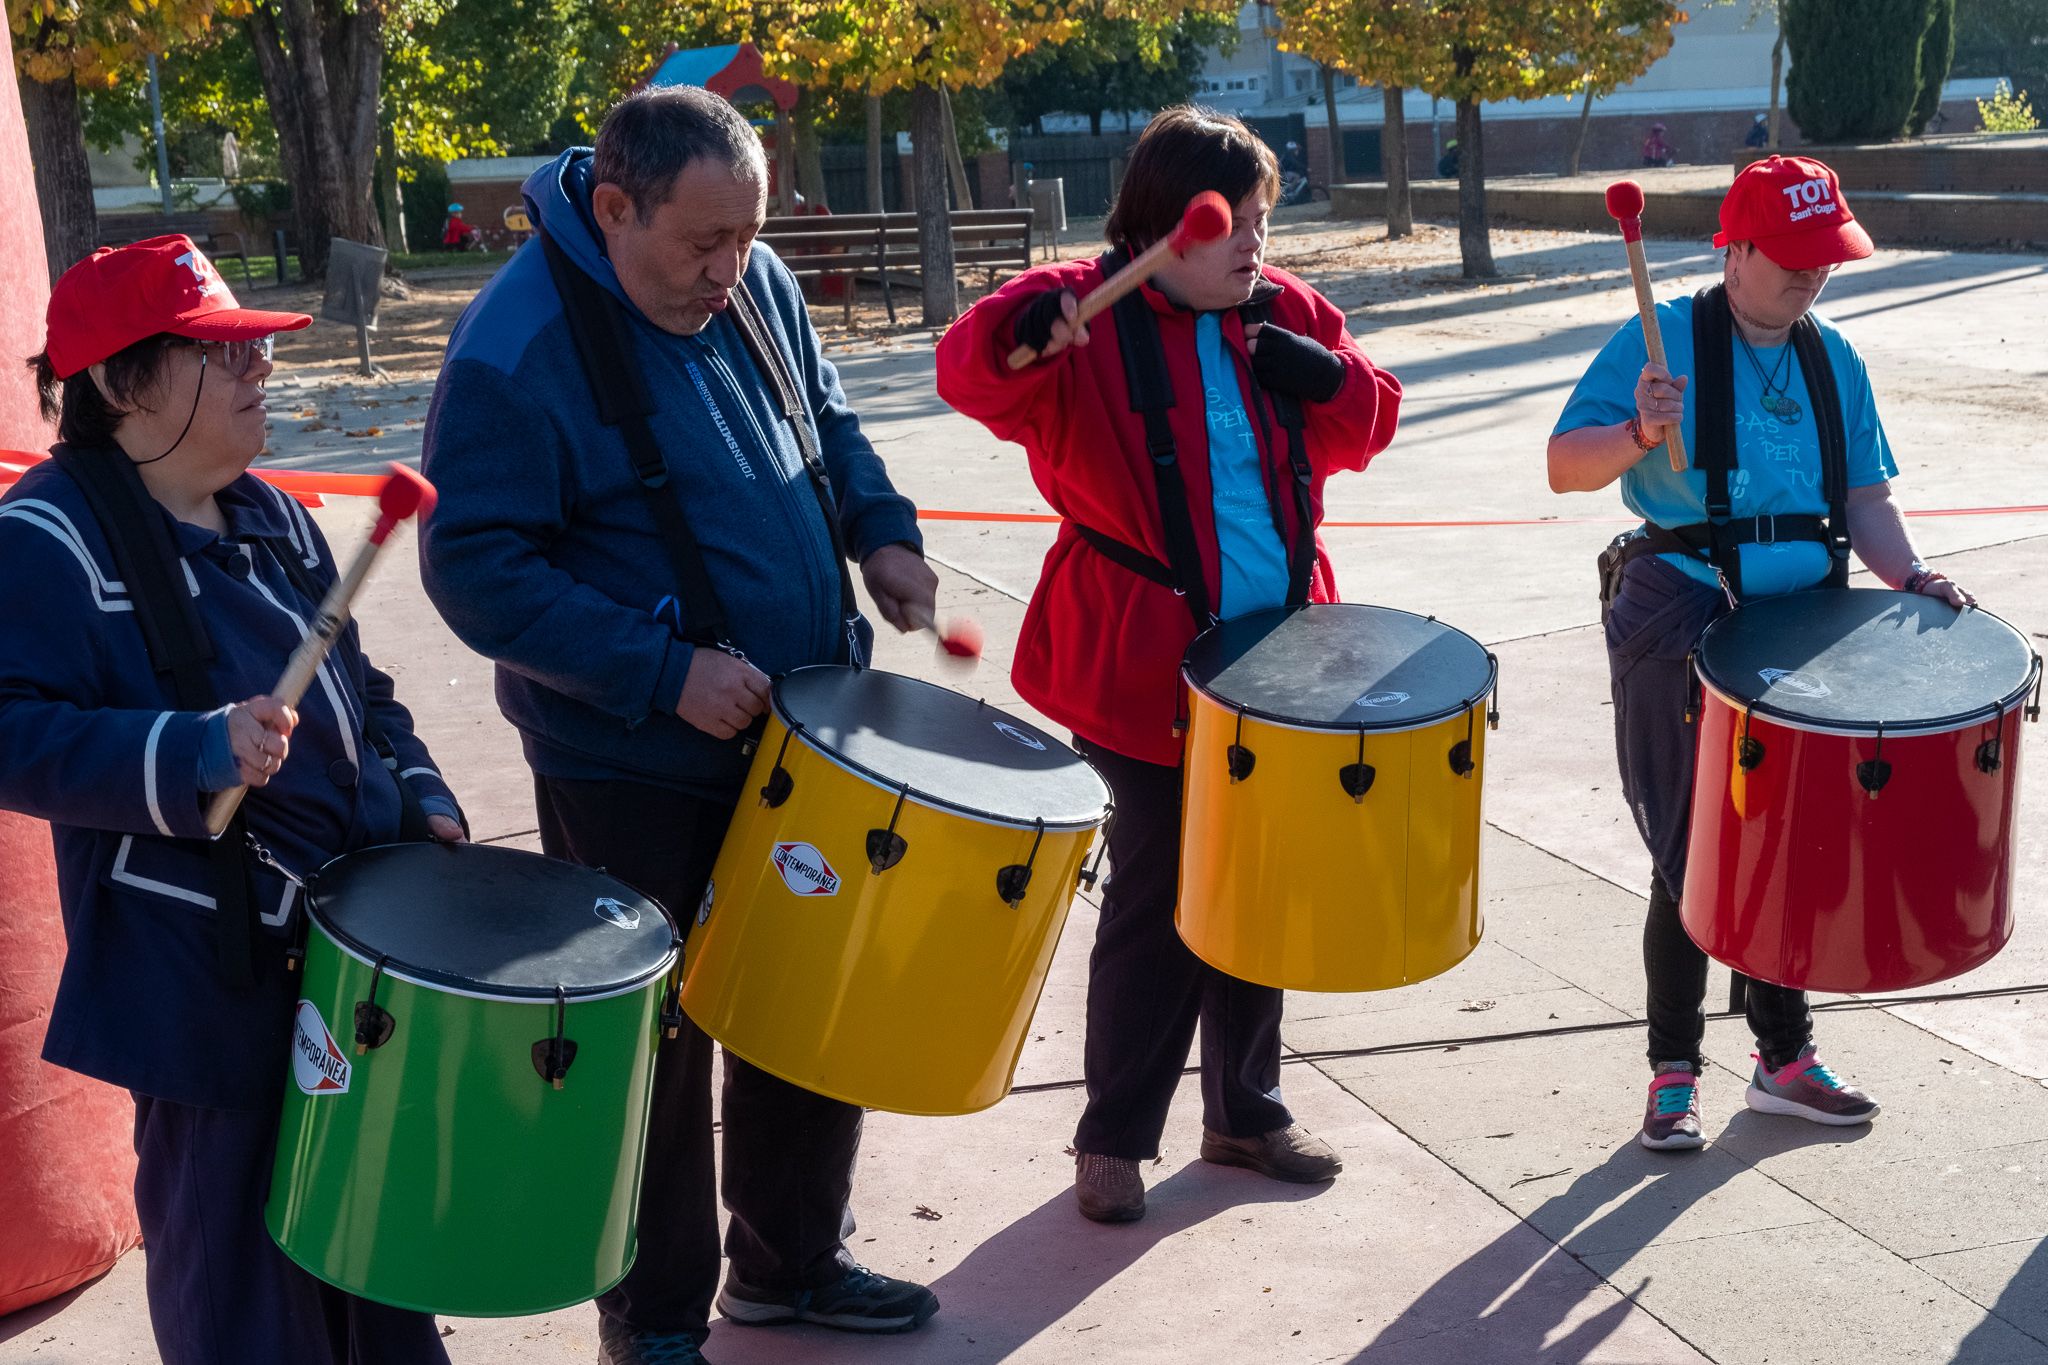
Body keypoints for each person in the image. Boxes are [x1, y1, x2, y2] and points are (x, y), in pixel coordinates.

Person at [418, 86, 941, 1365]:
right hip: (629, 762)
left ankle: (792, 1264)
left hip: (801, 732)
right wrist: (659, 671)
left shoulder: (752, 281)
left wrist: (881, 531)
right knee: (653, 1052)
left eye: (748, 236)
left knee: (804, 1012)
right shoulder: (513, 347)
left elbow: (826, 424)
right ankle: (649, 1320)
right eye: (704, 243)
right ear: (612, 208)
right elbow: (475, 566)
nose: (732, 269)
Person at [0, 236, 466, 1364]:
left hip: (348, 966)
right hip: (196, 981)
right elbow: (11, 731)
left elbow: (363, 686)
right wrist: (189, 752)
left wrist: (419, 791)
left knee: (376, 1259)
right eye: (219, 353)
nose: (260, 368)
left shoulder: (272, 515)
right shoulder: (46, 538)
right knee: (242, 1300)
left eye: (256, 345)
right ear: (117, 383)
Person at [935, 105, 1402, 1225]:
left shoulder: (1281, 308)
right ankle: (1111, 1138)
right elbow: (969, 373)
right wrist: (1022, 319)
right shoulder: (1082, 314)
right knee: (1154, 893)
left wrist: (1325, 377)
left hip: (1279, 661)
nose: (1251, 243)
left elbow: (1370, 422)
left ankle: (1244, 1110)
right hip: (1133, 662)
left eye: (1259, 220)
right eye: (1227, 223)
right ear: (1160, 228)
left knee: (1260, 887)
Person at [1547, 155, 1973, 1152]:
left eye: (1822, 259)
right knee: (1688, 851)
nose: (1808, 278)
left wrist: (1910, 576)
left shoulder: (1833, 360)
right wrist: (1633, 432)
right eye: (1787, 260)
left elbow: (1863, 496)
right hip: (1679, 609)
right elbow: (1565, 468)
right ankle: (1669, 1073)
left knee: (1790, 844)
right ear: (1729, 251)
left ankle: (1780, 1060)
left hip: (1800, 626)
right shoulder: (1661, 343)